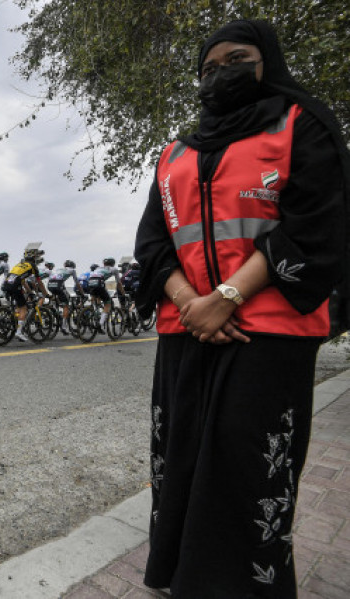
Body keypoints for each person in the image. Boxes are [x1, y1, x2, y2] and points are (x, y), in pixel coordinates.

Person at [134, 20, 348, 598]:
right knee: (177, 459)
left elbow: (314, 224)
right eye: (208, 69)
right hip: (185, 330)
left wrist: (227, 297)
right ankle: (179, 576)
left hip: (268, 332)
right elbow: (153, 244)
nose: (220, 75)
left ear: (267, 61)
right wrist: (191, 303)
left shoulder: (301, 125)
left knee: (248, 464)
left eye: (237, 59)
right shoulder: (175, 152)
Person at [1, 248, 49, 342]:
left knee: (18, 306)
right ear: (33, 258)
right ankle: (19, 332)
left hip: (6, 284)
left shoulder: (19, 264)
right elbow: (39, 282)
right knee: (24, 308)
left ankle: (13, 321)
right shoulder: (32, 266)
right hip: (15, 284)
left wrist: (30, 292)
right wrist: (45, 294)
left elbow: (23, 281)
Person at [47, 260, 83, 335]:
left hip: (50, 284)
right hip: (58, 284)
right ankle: (63, 326)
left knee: (56, 297)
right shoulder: (72, 270)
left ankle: (54, 311)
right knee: (66, 304)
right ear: (73, 266)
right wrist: (82, 293)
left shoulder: (59, 269)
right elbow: (77, 282)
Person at [87, 257, 125, 328]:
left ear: (104, 263)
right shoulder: (114, 269)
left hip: (90, 283)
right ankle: (100, 324)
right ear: (113, 264)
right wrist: (123, 293)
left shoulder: (98, 268)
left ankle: (94, 312)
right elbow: (119, 283)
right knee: (107, 303)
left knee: (97, 298)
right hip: (99, 283)